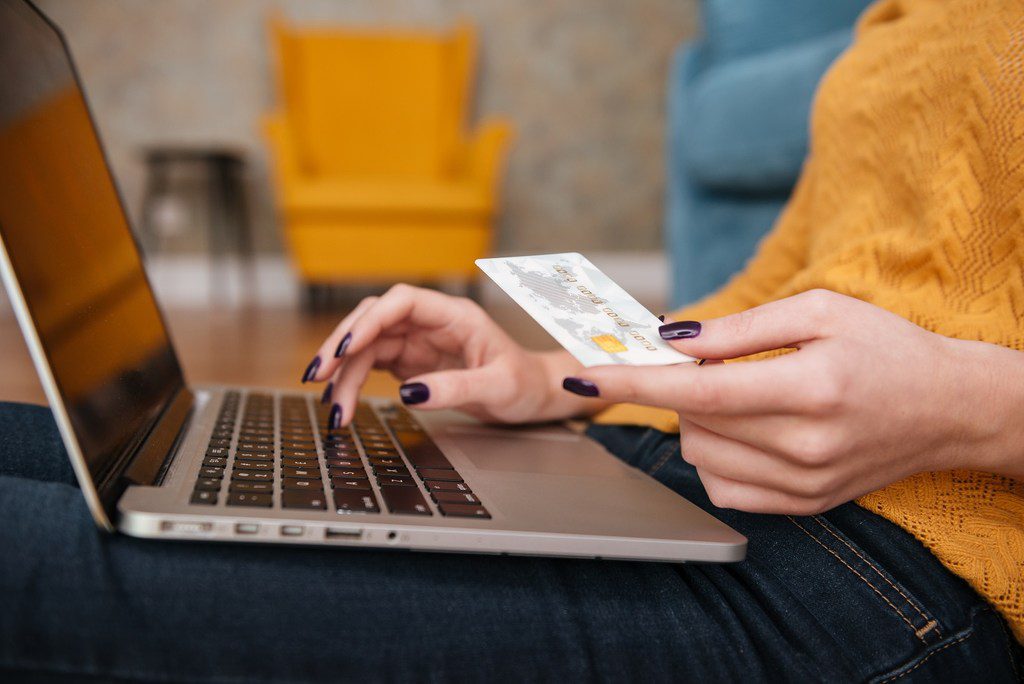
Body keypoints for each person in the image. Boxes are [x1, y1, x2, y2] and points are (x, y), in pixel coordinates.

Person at [2, 0, 1022, 681]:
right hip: (657, 461)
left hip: (895, 578)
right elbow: (785, 276)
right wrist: (556, 379)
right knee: (63, 453)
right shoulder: (902, 12)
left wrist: (976, 408)